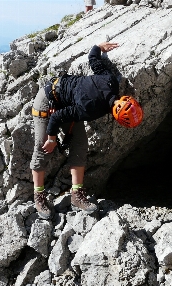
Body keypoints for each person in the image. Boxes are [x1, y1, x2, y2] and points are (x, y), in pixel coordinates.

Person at [30, 41, 143, 219]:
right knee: (42, 146)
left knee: (80, 145)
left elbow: (93, 59)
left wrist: (99, 47)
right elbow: (56, 117)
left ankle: (76, 195)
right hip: (47, 100)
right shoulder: (89, 108)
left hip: (67, 104)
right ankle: (39, 196)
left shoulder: (111, 81)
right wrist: (52, 139)